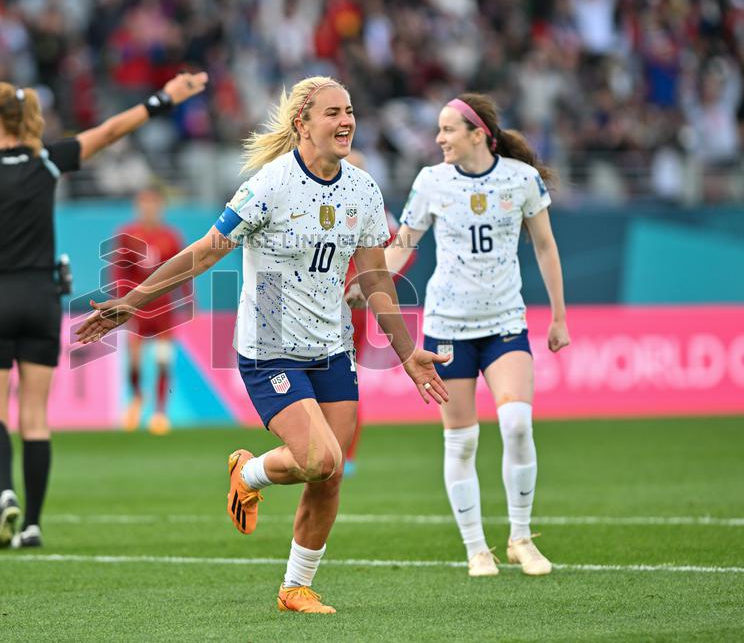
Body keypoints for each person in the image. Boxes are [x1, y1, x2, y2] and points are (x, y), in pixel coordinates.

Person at [76, 76, 449, 613]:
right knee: (320, 457)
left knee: (329, 473)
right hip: (269, 347)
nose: (346, 121)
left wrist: (407, 352)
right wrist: (133, 301)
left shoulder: (364, 190)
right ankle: (248, 474)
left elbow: (374, 280)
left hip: (332, 346)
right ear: (303, 123)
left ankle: (294, 585)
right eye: (332, 113)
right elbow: (207, 251)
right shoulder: (269, 185)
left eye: (349, 110)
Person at [0, 72, 208, 549]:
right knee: (35, 418)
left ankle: (5, 494)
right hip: (41, 298)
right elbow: (109, 131)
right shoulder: (47, 160)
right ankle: (33, 525)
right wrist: (161, 99)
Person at [349, 92, 570, 577]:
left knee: (517, 424)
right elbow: (403, 244)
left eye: (448, 129)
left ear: (478, 134)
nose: (439, 138)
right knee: (462, 440)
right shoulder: (432, 181)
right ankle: (476, 549)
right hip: (447, 327)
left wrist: (558, 316)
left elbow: (546, 246)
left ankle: (521, 538)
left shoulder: (522, 179)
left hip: (505, 322)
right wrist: (371, 284)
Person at [339, 149, 412, 477]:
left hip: (350, 306)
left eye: (360, 170)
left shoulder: (372, 206)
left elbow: (403, 247)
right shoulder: (317, 199)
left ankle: (346, 454)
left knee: (344, 379)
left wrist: (372, 284)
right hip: (315, 302)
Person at [111, 188, 188, 435]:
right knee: (134, 361)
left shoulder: (171, 237)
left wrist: (188, 300)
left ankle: (160, 413)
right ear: (138, 207)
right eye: (144, 205)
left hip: (163, 307)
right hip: (136, 307)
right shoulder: (127, 235)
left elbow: (183, 270)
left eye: (153, 205)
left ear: (161, 207)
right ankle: (136, 396)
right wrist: (120, 300)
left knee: (163, 360)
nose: (149, 209)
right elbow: (120, 270)